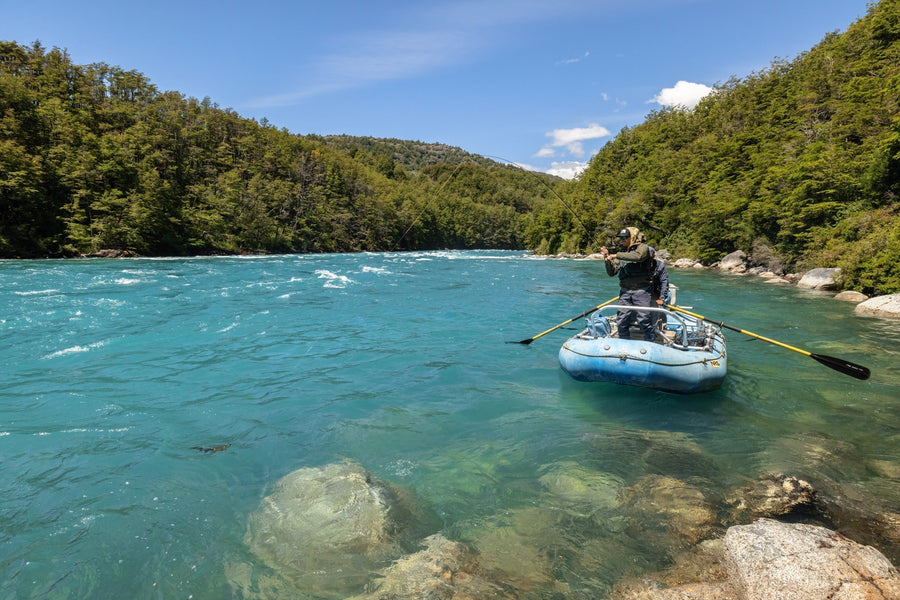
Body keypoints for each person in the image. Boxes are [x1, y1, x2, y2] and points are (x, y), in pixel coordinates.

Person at [600, 227, 655, 341]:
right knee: (621, 320)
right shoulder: (622, 251)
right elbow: (612, 272)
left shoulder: (643, 248)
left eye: (625, 237)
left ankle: (650, 342)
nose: (622, 240)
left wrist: (616, 255)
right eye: (621, 238)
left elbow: (638, 257)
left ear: (633, 237)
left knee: (644, 320)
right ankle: (623, 341)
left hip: (642, 290)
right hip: (625, 291)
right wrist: (607, 260)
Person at [649, 246, 670, 329]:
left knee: (660, 309)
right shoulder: (639, 266)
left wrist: (661, 298)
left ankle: (663, 325)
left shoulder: (660, 266)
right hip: (647, 293)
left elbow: (664, 282)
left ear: (653, 256)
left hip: (659, 292)